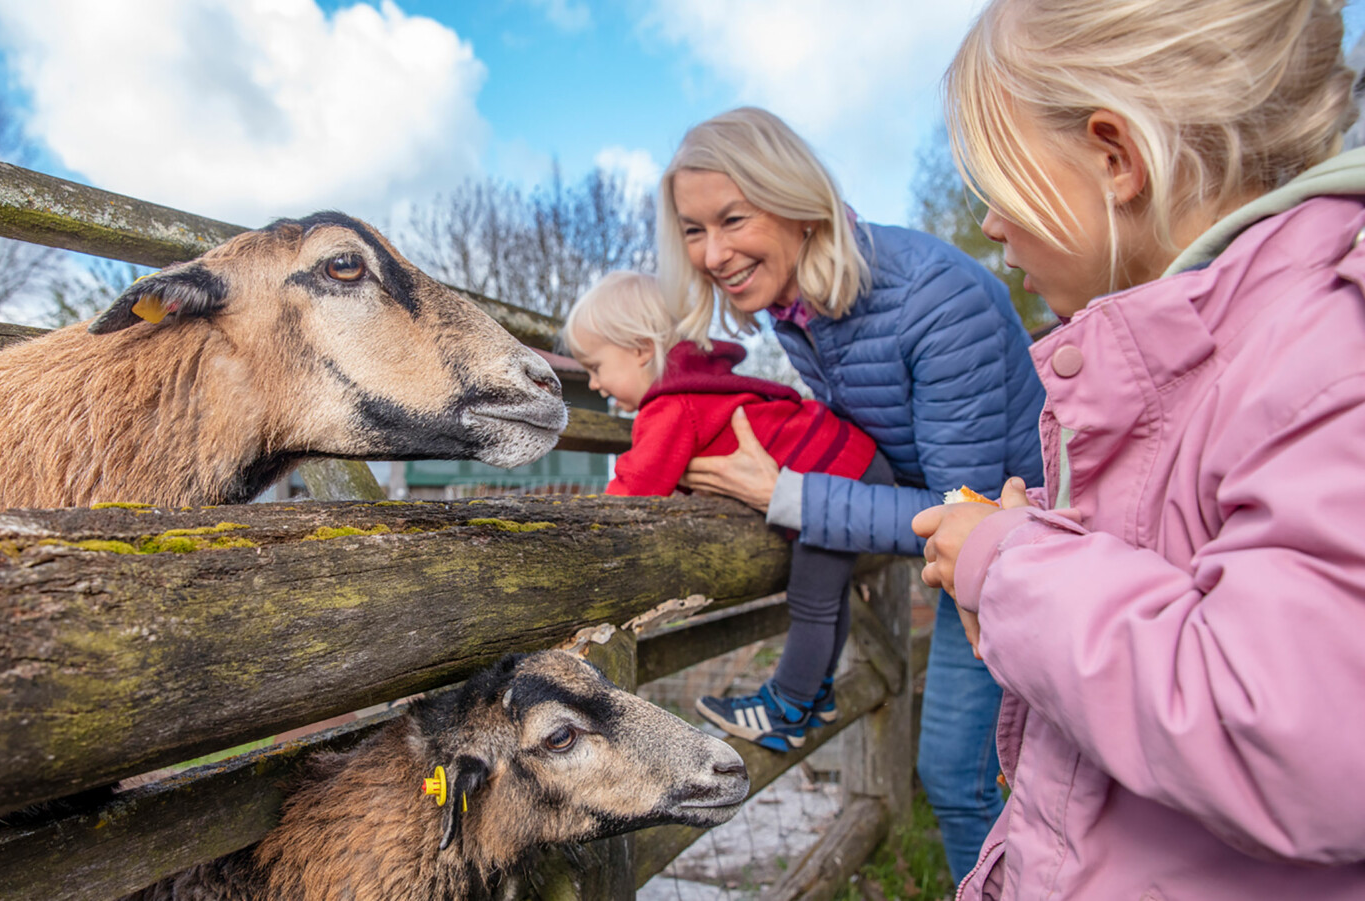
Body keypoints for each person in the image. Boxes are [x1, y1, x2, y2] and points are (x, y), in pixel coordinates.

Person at [912, 0, 1365, 897]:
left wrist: (1013, 569)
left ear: (1115, 157)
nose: (992, 225)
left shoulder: (1324, 349)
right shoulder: (1204, 352)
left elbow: (1297, 738)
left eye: (1000, 180)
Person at [658, 106, 1046, 882]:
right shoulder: (803, 313)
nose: (712, 252)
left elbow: (960, 512)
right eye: (693, 230)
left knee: (962, 777)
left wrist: (790, 495)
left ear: (797, 202)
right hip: (974, 558)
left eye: (733, 218)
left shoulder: (933, 300)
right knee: (971, 776)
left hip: (1029, 555)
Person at [564, 270, 891, 750]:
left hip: (840, 476)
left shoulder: (672, 404)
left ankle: (786, 708)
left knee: (813, 598)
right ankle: (817, 695)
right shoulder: (702, 387)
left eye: (595, 366)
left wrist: (573, 533)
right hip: (852, 466)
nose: (593, 383)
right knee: (829, 593)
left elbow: (633, 494)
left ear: (639, 349)